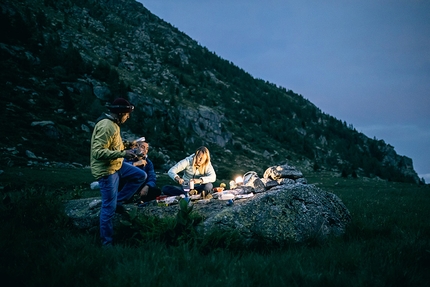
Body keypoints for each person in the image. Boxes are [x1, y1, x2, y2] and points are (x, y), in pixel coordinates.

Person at [90, 98, 147, 246]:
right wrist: (123, 154)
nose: (128, 117)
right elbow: (98, 152)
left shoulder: (114, 125)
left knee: (140, 175)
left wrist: (129, 144)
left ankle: (118, 201)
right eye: (127, 114)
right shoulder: (106, 126)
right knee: (108, 208)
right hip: (107, 170)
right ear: (120, 113)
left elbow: (114, 145)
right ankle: (106, 244)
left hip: (117, 165)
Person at [123, 137, 161, 202]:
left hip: (141, 187)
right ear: (136, 147)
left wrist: (147, 186)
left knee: (156, 191)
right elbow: (121, 169)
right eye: (143, 147)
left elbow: (152, 177)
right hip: (127, 185)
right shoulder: (127, 157)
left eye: (147, 149)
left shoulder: (148, 163)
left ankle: (139, 198)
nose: (145, 150)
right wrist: (135, 164)